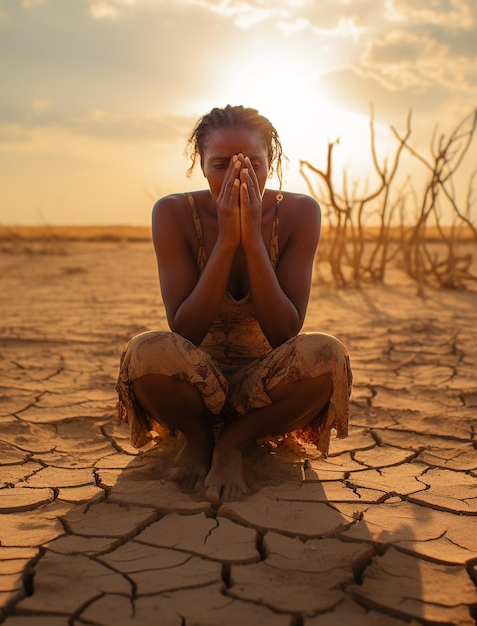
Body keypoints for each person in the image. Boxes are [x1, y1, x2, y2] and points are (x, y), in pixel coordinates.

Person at [116, 104, 352, 503]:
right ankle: (197, 436)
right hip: (196, 380)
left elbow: (284, 332)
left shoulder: (298, 212)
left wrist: (254, 239)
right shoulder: (173, 212)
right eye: (220, 164)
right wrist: (227, 239)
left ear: (271, 162)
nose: (236, 176)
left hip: (264, 383)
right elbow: (185, 331)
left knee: (327, 353)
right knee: (145, 350)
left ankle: (233, 442)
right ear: (201, 165)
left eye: (252, 163)